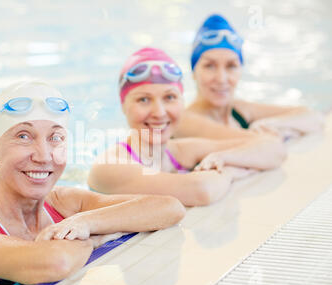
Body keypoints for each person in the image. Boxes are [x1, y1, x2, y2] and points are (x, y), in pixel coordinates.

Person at [0, 80, 185, 285]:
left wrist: (87, 223)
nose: (44, 156)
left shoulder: (65, 204)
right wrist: (96, 237)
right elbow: (55, 262)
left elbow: (169, 207)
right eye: (23, 136)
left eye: (55, 138)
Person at [87, 47, 286, 207]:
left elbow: (273, 148)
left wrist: (224, 158)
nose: (159, 112)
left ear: (182, 102)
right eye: (144, 99)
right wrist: (231, 171)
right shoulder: (109, 166)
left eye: (169, 97)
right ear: (123, 106)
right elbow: (201, 190)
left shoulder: (179, 151)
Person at [173, 14, 324, 141]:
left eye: (231, 66)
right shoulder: (185, 121)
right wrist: (281, 130)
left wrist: (272, 124)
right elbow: (257, 143)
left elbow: (312, 116)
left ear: (240, 70)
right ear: (194, 71)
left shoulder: (239, 110)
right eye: (210, 66)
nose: (221, 78)